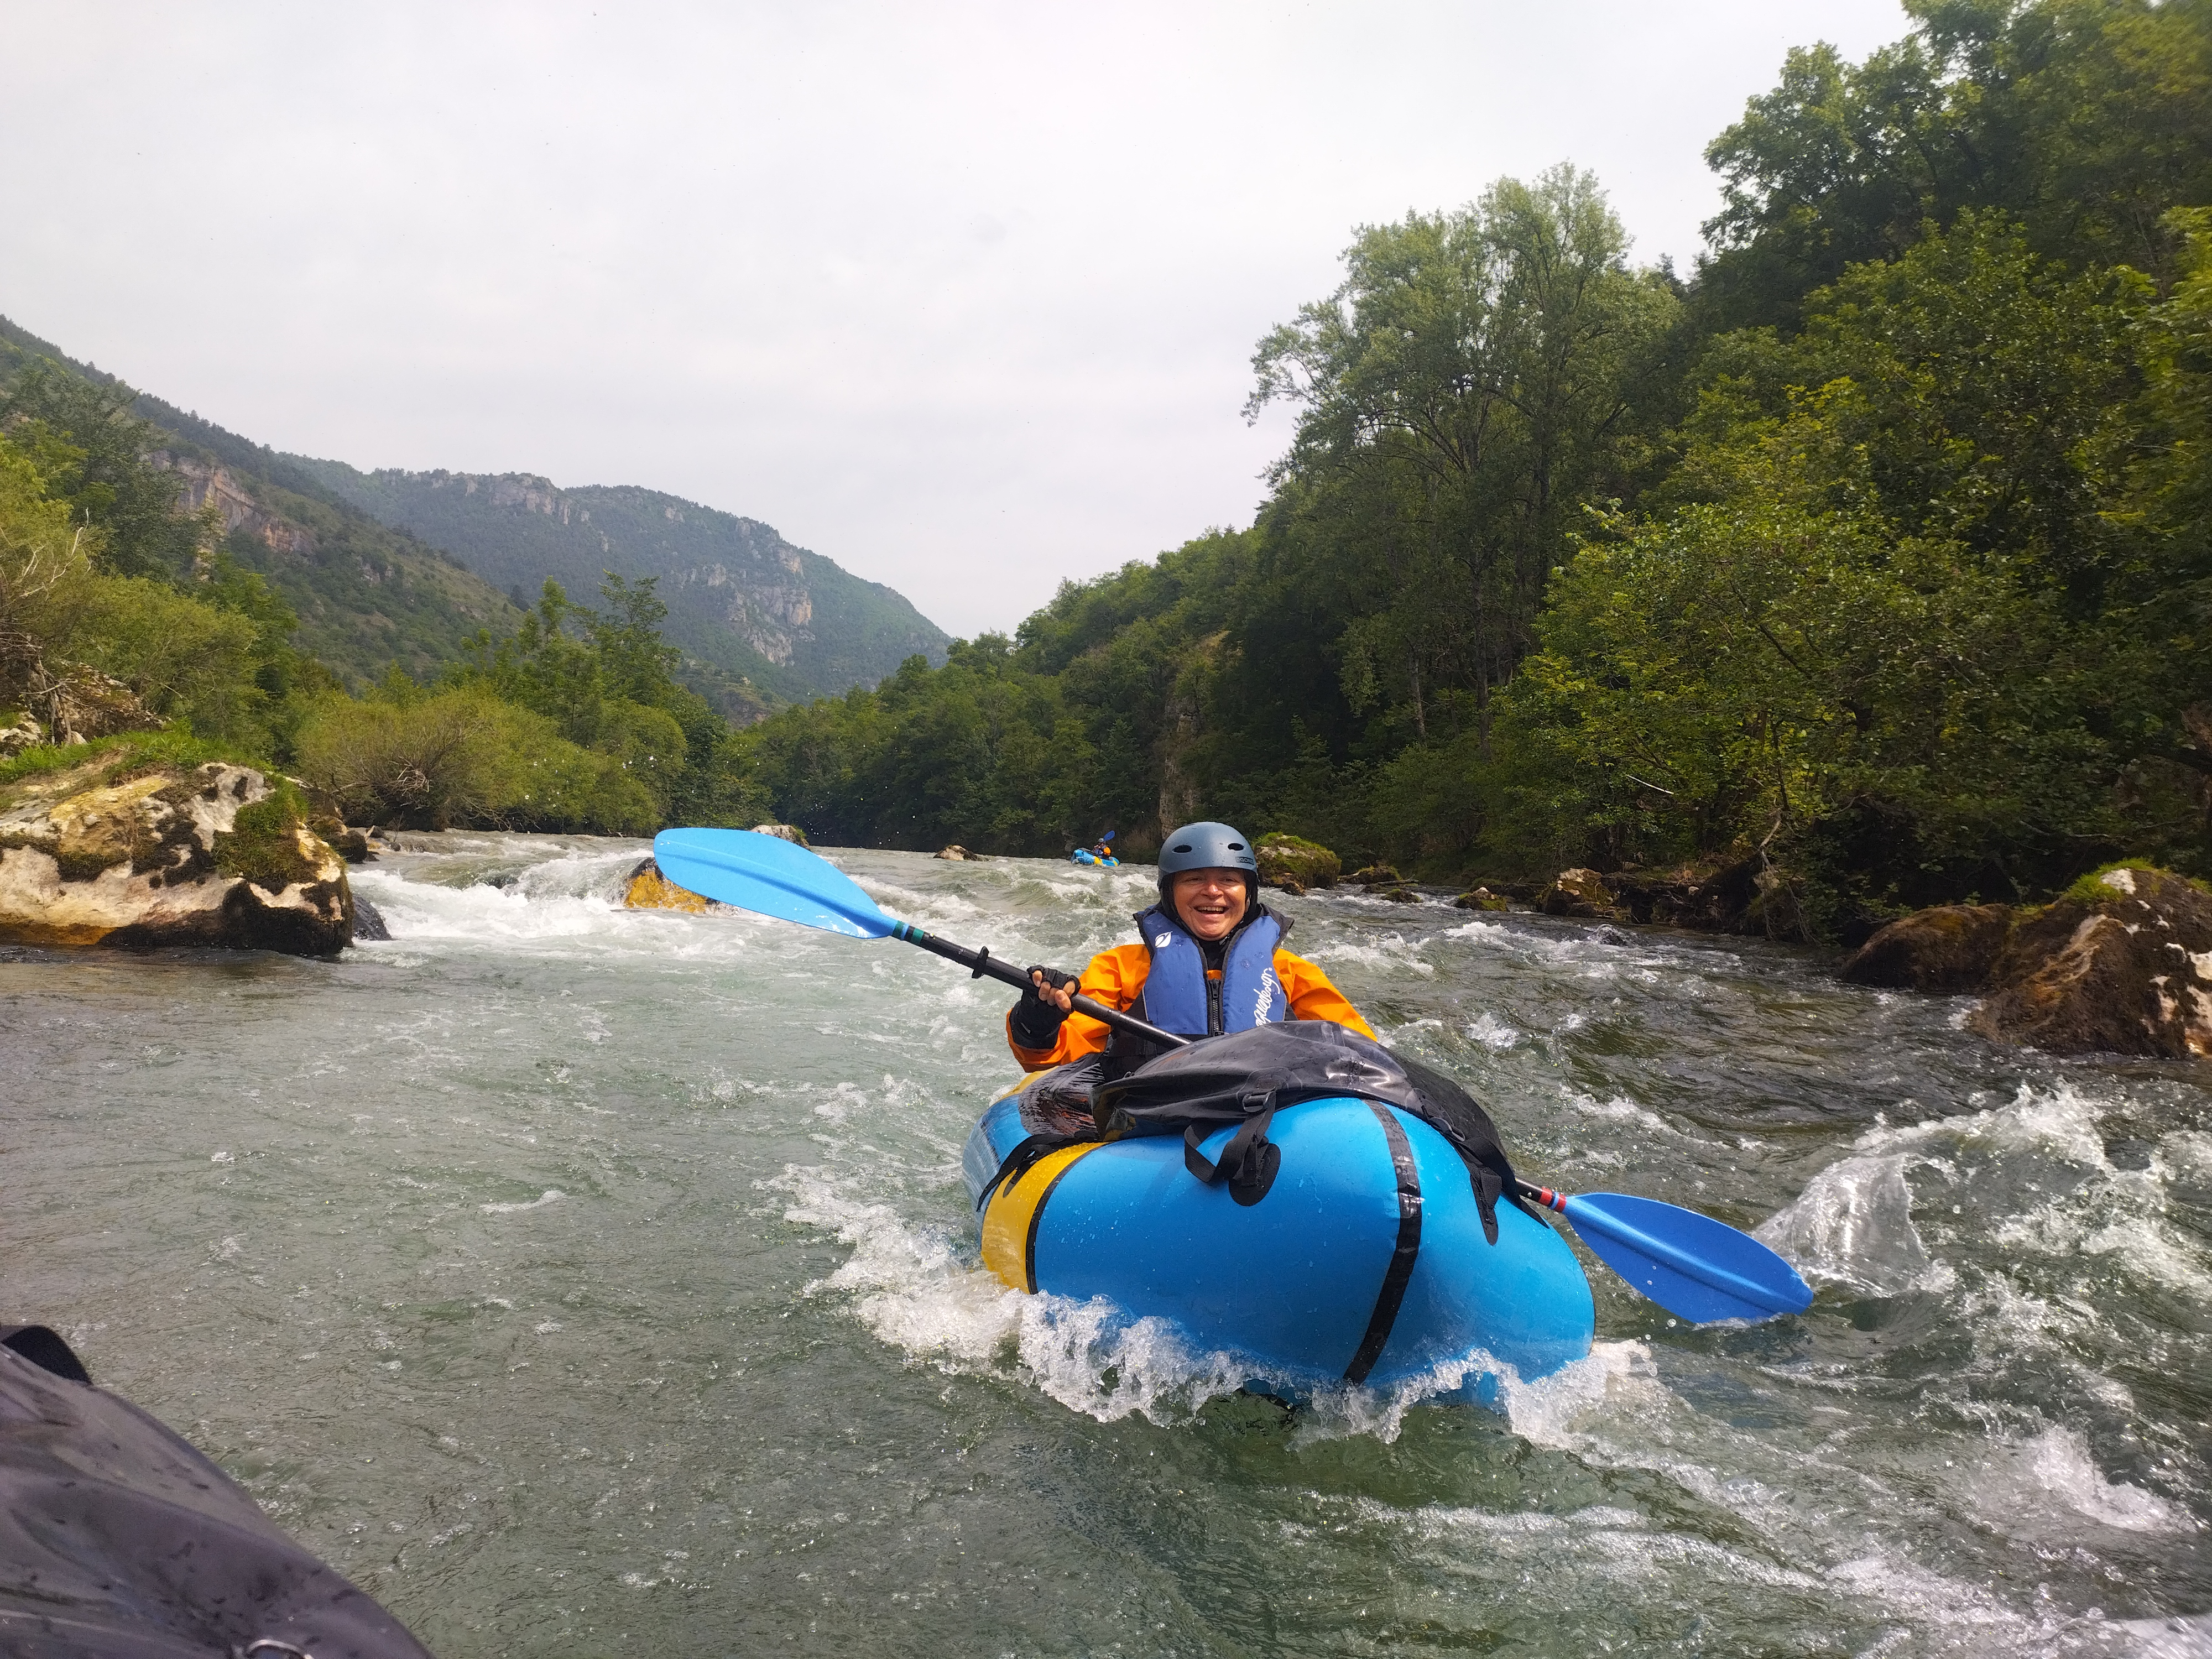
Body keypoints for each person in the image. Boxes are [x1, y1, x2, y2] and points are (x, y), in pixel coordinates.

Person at [1007, 820, 1374, 1071]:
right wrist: (1037, 1024)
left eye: (1229, 879)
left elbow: (1364, 1056)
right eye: (1195, 879)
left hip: (1267, 1120)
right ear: (1169, 893)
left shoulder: (1293, 972)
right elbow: (1055, 1060)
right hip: (1152, 1123)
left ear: (1248, 894)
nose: (1212, 891)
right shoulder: (1120, 968)